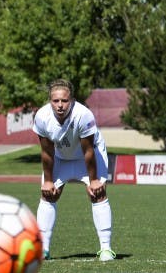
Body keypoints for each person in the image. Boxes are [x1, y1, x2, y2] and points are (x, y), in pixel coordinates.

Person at [32, 79, 115, 261]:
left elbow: (88, 151)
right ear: (49, 101)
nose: (60, 105)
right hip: (61, 157)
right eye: (55, 101)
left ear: (73, 100)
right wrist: (48, 181)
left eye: (64, 101)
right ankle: (43, 249)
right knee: (48, 194)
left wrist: (93, 180)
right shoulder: (41, 117)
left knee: (97, 193)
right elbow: (46, 151)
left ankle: (106, 249)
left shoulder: (83, 115)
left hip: (88, 156)